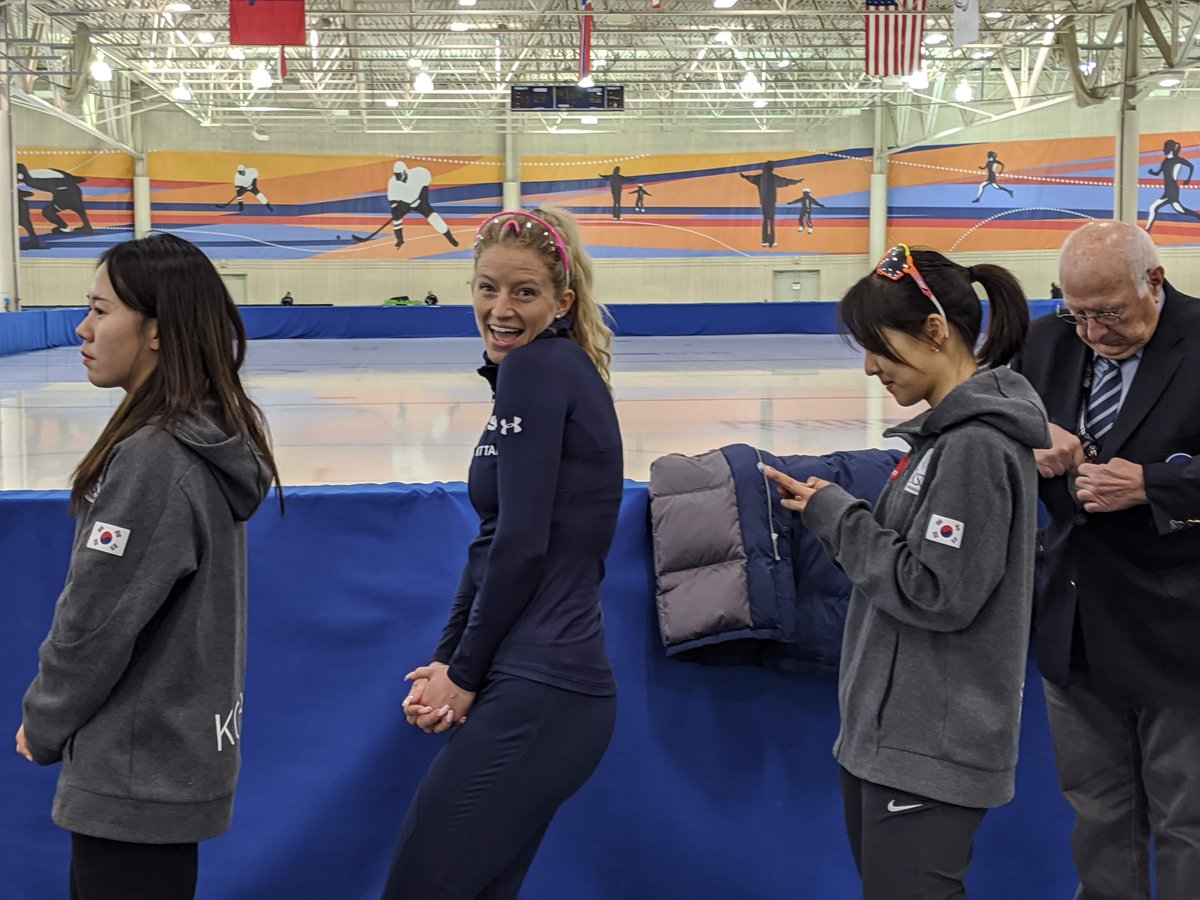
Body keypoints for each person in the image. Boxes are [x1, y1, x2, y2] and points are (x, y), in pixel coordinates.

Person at [764, 244, 1049, 900]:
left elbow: (936, 591)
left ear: (935, 332)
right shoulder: (941, 443)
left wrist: (840, 518)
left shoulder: (975, 449)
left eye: (880, 348)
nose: (871, 368)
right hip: (889, 743)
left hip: (930, 753)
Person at [15, 233, 281, 900]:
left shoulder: (155, 457)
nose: (83, 327)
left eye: (101, 310)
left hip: (134, 779)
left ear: (157, 331)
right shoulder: (202, 437)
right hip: (169, 766)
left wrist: (44, 720)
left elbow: (94, 621)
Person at [382, 207, 623, 899]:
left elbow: (522, 546)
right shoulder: (539, 373)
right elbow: (491, 544)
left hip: (547, 686)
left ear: (562, 301)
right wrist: (449, 656)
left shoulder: (541, 371)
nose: (500, 308)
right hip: (536, 684)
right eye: (486, 288)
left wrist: (464, 671)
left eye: (523, 292)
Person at [1010, 219, 1200, 899]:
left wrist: (1151, 485)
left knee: (1188, 819)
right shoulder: (1047, 344)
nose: (1093, 332)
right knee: (1099, 814)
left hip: (1178, 627)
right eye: (1078, 313)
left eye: (1109, 313)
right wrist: (1028, 437)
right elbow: (984, 417)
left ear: (1154, 281)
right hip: (1077, 622)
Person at [387, 160, 459, 250]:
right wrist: (396, 210)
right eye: (396, 175)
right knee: (396, 217)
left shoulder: (418, 173)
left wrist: (421, 198)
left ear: (405, 172)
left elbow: (425, 186)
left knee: (433, 217)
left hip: (420, 201)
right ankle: (400, 240)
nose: (398, 178)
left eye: (399, 175)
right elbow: (393, 201)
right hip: (406, 203)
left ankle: (449, 237)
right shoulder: (393, 182)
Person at [740, 161, 804, 248]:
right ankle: (771, 242)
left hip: (764, 203)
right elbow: (785, 181)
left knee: (766, 220)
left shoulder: (760, 177)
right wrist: (796, 181)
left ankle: (765, 241)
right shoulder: (773, 178)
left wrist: (744, 176)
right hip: (771, 202)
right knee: (771, 221)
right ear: (771, 168)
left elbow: (751, 178)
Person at [1144, 139, 1200, 233]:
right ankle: (1197, 216)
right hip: (1168, 190)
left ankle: (1147, 230)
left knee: (1153, 207)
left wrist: (1188, 179)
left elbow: (1191, 166)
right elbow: (1158, 173)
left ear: (1169, 149)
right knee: (1180, 210)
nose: (1163, 150)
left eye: (1165, 148)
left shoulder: (1177, 160)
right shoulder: (1165, 161)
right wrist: (1152, 172)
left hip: (1172, 191)